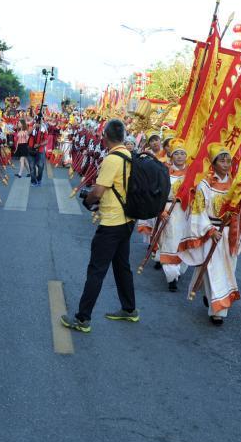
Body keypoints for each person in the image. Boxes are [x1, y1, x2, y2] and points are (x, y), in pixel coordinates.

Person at [60, 119, 138, 332]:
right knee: (122, 266)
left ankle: (82, 318)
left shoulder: (112, 159)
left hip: (112, 222)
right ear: (123, 136)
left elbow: (98, 191)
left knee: (96, 270)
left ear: (105, 136)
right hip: (128, 220)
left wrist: (87, 202)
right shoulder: (130, 155)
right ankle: (129, 309)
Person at [183, 145, 241, 324]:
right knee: (212, 271)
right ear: (213, 163)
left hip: (229, 235)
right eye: (222, 160)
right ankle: (217, 311)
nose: (226, 164)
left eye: (229, 160)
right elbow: (198, 211)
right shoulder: (205, 185)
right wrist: (210, 230)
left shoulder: (235, 184)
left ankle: (213, 300)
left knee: (228, 271)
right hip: (211, 234)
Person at [156, 140, 190, 292]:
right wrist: (160, 211)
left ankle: (179, 270)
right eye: (177, 153)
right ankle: (171, 277)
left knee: (184, 242)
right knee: (169, 241)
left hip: (185, 212)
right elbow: (158, 193)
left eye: (183, 153)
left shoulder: (192, 174)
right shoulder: (165, 171)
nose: (180, 156)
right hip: (168, 210)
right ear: (171, 155)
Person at [29, 119, 48, 187]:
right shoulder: (31, 125)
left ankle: (39, 180)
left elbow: (46, 141)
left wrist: (39, 145)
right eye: (37, 121)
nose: (38, 123)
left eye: (39, 122)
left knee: (40, 167)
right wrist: (34, 127)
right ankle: (33, 181)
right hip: (31, 150)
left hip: (40, 151)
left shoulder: (44, 128)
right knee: (32, 167)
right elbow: (28, 133)